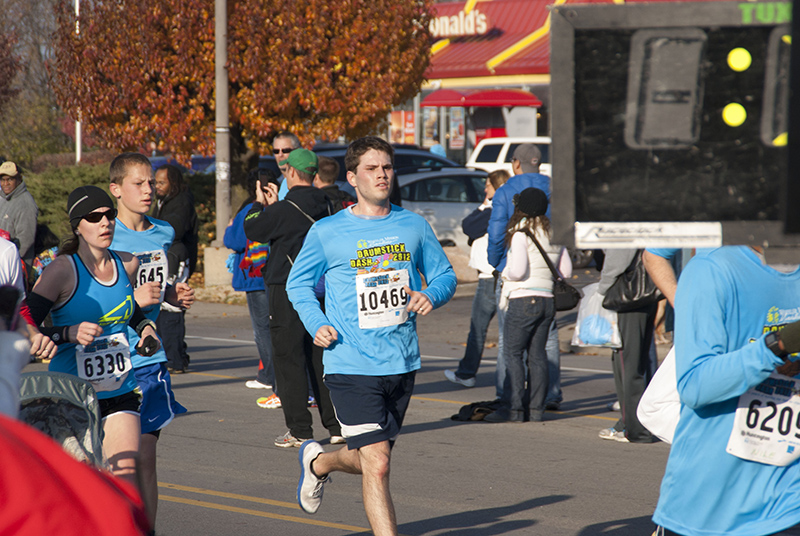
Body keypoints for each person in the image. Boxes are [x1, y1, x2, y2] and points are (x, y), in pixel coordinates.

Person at [286, 136, 457, 536]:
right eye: (371, 168)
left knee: (369, 459)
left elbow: (445, 275)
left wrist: (430, 294)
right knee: (378, 463)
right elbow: (298, 285)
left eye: (387, 167)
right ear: (351, 177)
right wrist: (317, 323)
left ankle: (319, 463)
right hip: (349, 362)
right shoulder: (328, 231)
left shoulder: (413, 225)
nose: (382, 175)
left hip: (401, 361)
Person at [652, 246, 800, 535]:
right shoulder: (712, 270)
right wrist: (777, 346)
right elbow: (695, 385)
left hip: (788, 505)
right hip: (708, 509)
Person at [26, 185, 159, 501]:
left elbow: (130, 310)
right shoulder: (62, 270)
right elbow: (25, 323)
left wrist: (147, 329)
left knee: (125, 473)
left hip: (119, 388)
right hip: (71, 392)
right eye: (94, 217)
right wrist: (66, 333)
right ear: (77, 226)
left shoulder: (126, 264)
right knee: (85, 481)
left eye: (109, 215)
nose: (105, 223)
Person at [108, 153, 194, 527]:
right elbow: (93, 295)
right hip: (110, 358)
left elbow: (155, 286)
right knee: (114, 460)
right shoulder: (104, 233)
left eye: (151, 183)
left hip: (149, 358)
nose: (148, 190)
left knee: (145, 454)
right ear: (116, 189)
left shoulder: (163, 231)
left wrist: (171, 294)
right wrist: (133, 301)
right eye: (139, 183)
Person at [243, 148, 342, 448]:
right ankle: (336, 425)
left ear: (290, 173)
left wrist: (261, 203)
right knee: (321, 357)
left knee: (288, 359)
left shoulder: (283, 208)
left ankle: (300, 429)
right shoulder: (330, 204)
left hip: (286, 288)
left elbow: (253, 228)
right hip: (323, 288)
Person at [486, 144, 563, 409]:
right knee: (547, 341)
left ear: (515, 162)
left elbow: (497, 232)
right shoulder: (557, 189)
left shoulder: (506, 190)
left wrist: (497, 264)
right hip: (548, 276)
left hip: (516, 278)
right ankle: (550, 395)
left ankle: (508, 396)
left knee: (509, 342)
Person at [445, 169, 510, 388]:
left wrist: (484, 205)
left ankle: (466, 373)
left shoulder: (495, 210)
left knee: (478, 329)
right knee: (503, 329)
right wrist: (483, 205)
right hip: (495, 276)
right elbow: (470, 226)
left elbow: (469, 226)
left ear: (497, 187)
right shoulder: (499, 208)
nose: (485, 189)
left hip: (489, 278)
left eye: (488, 185)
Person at [223, 168, 277, 404]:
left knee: (263, 331)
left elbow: (233, 240)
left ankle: (273, 379)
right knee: (274, 328)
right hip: (274, 274)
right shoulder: (279, 207)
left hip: (254, 276)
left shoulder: (249, 209)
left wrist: (228, 226)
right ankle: (266, 375)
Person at [596, 249, 658, 443]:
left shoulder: (625, 226)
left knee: (627, 366)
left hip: (628, 296)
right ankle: (629, 422)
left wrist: (601, 290)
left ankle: (635, 430)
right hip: (646, 293)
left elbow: (617, 261)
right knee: (638, 362)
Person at [153, 164, 199, 373]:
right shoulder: (163, 201)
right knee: (162, 310)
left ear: (174, 183)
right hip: (166, 257)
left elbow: (174, 230)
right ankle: (177, 355)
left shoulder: (181, 202)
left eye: (162, 182)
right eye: (155, 182)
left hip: (176, 258)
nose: (157, 186)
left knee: (171, 309)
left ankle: (174, 360)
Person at [0, 161, 38, 274]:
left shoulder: (26, 204)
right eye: (2, 179)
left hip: (15, 266)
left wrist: (7, 259)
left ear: (19, 179)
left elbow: (25, 241)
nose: (5, 183)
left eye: (10, 179)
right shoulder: (3, 198)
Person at [273, 131, 302, 200]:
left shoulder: (305, 181)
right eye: (276, 151)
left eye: (285, 150)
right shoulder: (276, 184)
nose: (280, 155)